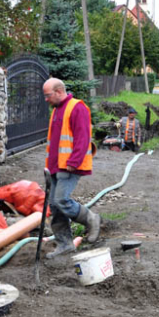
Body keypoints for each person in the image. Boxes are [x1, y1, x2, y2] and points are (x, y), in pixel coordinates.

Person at [42, 77, 101, 258]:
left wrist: (73, 163)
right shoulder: (57, 110)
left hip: (69, 166)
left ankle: (91, 219)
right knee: (55, 205)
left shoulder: (77, 108)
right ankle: (65, 244)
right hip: (55, 167)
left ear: (59, 91)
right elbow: (54, 143)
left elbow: (83, 139)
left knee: (61, 200)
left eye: (48, 95)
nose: (46, 99)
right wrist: (48, 169)